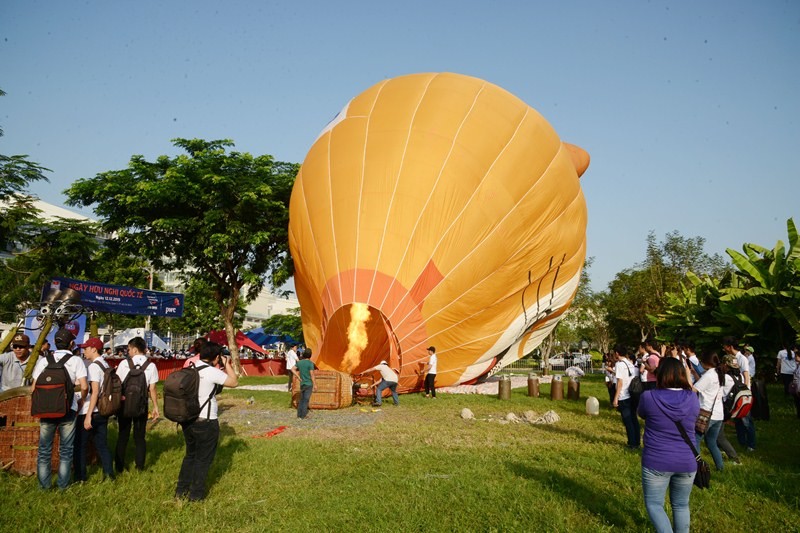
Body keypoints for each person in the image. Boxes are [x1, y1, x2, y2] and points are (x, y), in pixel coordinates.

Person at [637, 357, 700, 533]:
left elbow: (641, 413)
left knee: (655, 504)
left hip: (657, 461)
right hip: (687, 460)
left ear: (660, 374)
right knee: (681, 505)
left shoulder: (648, 397)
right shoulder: (693, 398)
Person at [175, 341, 238, 501]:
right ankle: (196, 495)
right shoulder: (211, 372)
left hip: (188, 419)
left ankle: (181, 490)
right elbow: (234, 382)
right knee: (203, 460)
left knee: (190, 456)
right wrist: (227, 364)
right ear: (216, 357)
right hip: (206, 420)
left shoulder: (190, 367)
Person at [30, 328, 88, 490]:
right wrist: (82, 400)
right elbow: (84, 386)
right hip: (68, 409)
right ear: (71, 343)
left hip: (46, 410)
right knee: (66, 450)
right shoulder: (76, 360)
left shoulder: (44, 360)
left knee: (44, 450)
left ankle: (44, 486)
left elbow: (33, 388)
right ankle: (63, 486)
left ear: (54, 342)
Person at [114, 336, 159, 472]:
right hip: (141, 405)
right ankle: (140, 466)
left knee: (123, 435)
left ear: (134, 349)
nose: (128, 352)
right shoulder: (151, 366)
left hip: (125, 405)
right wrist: (155, 407)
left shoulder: (124, 364)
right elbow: (152, 389)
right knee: (140, 437)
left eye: (129, 349)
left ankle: (119, 466)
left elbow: (118, 385)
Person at [73, 337, 114, 481]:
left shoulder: (93, 366)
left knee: (80, 445)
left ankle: (80, 477)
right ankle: (109, 475)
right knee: (102, 445)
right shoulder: (105, 364)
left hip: (90, 411)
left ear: (94, 349)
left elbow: (94, 391)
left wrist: (88, 415)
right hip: (103, 411)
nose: (84, 351)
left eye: (86, 348)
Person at [693, 352, 738, 470]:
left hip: (707, 414)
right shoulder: (722, 375)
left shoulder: (710, 374)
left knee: (695, 440)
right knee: (712, 442)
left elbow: (694, 390)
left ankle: (697, 468)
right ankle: (720, 467)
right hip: (718, 415)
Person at [722, 337, 756, 451]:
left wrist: (744, 392)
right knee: (738, 420)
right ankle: (741, 442)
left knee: (746, 420)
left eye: (725, 346)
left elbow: (746, 376)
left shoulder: (742, 359)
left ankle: (751, 444)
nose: (723, 348)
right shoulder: (733, 358)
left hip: (742, 394)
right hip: (734, 393)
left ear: (730, 346)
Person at [612, 344, 640, 449]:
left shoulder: (619, 365)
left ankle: (632, 443)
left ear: (616, 353)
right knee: (633, 419)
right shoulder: (629, 363)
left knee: (627, 421)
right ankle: (637, 441)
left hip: (623, 395)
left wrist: (616, 397)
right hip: (632, 394)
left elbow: (620, 382)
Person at [291, 349, 317, 419]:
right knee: (306, 400)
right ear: (310, 355)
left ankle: (299, 414)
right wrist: (315, 384)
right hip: (309, 383)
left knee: (302, 399)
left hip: (302, 383)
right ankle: (303, 415)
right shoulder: (310, 363)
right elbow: (312, 375)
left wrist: (298, 377)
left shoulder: (300, 363)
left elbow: (292, 369)